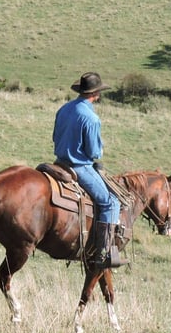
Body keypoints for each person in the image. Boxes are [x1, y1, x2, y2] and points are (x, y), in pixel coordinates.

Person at [53, 72, 128, 270]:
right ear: (96, 94)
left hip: (59, 162)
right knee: (111, 202)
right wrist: (100, 149)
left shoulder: (63, 109)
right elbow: (94, 152)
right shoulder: (91, 118)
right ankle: (104, 253)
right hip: (79, 166)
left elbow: (55, 137)